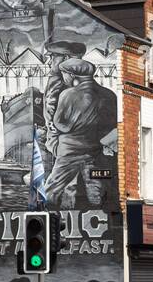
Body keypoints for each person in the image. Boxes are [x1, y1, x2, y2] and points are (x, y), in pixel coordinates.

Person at [43, 58, 119, 209]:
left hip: (69, 151)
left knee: (52, 189)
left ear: (72, 75)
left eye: (64, 74)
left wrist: (53, 126)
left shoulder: (68, 94)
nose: (64, 78)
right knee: (95, 189)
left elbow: (61, 124)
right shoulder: (109, 95)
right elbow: (112, 125)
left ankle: (47, 219)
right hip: (95, 152)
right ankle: (100, 221)